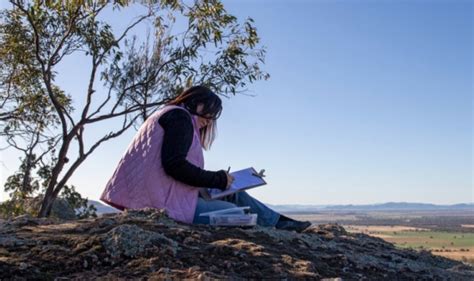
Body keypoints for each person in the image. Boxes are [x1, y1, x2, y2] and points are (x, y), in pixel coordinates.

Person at [100, 85, 311, 232]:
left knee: (234, 194)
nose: (208, 121)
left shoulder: (169, 115)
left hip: (162, 194)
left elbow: (169, 167)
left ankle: (279, 222)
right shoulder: (179, 117)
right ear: (194, 102)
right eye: (207, 113)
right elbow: (174, 165)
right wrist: (217, 179)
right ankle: (276, 225)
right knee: (238, 214)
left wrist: (219, 182)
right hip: (159, 203)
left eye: (212, 116)